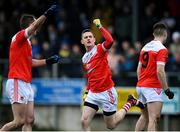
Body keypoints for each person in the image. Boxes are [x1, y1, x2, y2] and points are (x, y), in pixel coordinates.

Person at [0, 4, 60, 131]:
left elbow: (29, 62)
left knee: (29, 120)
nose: (37, 25)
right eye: (35, 21)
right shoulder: (19, 37)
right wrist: (46, 14)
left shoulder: (27, 43)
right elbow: (34, 26)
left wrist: (47, 61)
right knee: (19, 121)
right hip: (17, 80)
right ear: (30, 24)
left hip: (26, 83)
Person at [81, 19, 144, 131]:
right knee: (84, 121)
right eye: (85, 37)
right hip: (93, 94)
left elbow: (110, 41)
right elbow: (90, 77)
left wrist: (99, 26)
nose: (88, 38)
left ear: (94, 39)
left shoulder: (99, 49)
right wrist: (87, 91)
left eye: (90, 36)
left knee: (111, 125)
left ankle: (130, 102)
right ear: (82, 41)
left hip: (107, 92)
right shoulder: (84, 58)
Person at [135, 22, 174, 131]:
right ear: (165, 35)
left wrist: (142, 84)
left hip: (141, 86)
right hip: (152, 87)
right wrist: (166, 90)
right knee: (154, 119)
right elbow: (160, 72)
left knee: (144, 116)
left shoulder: (144, 47)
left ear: (153, 34)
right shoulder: (162, 49)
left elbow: (139, 69)